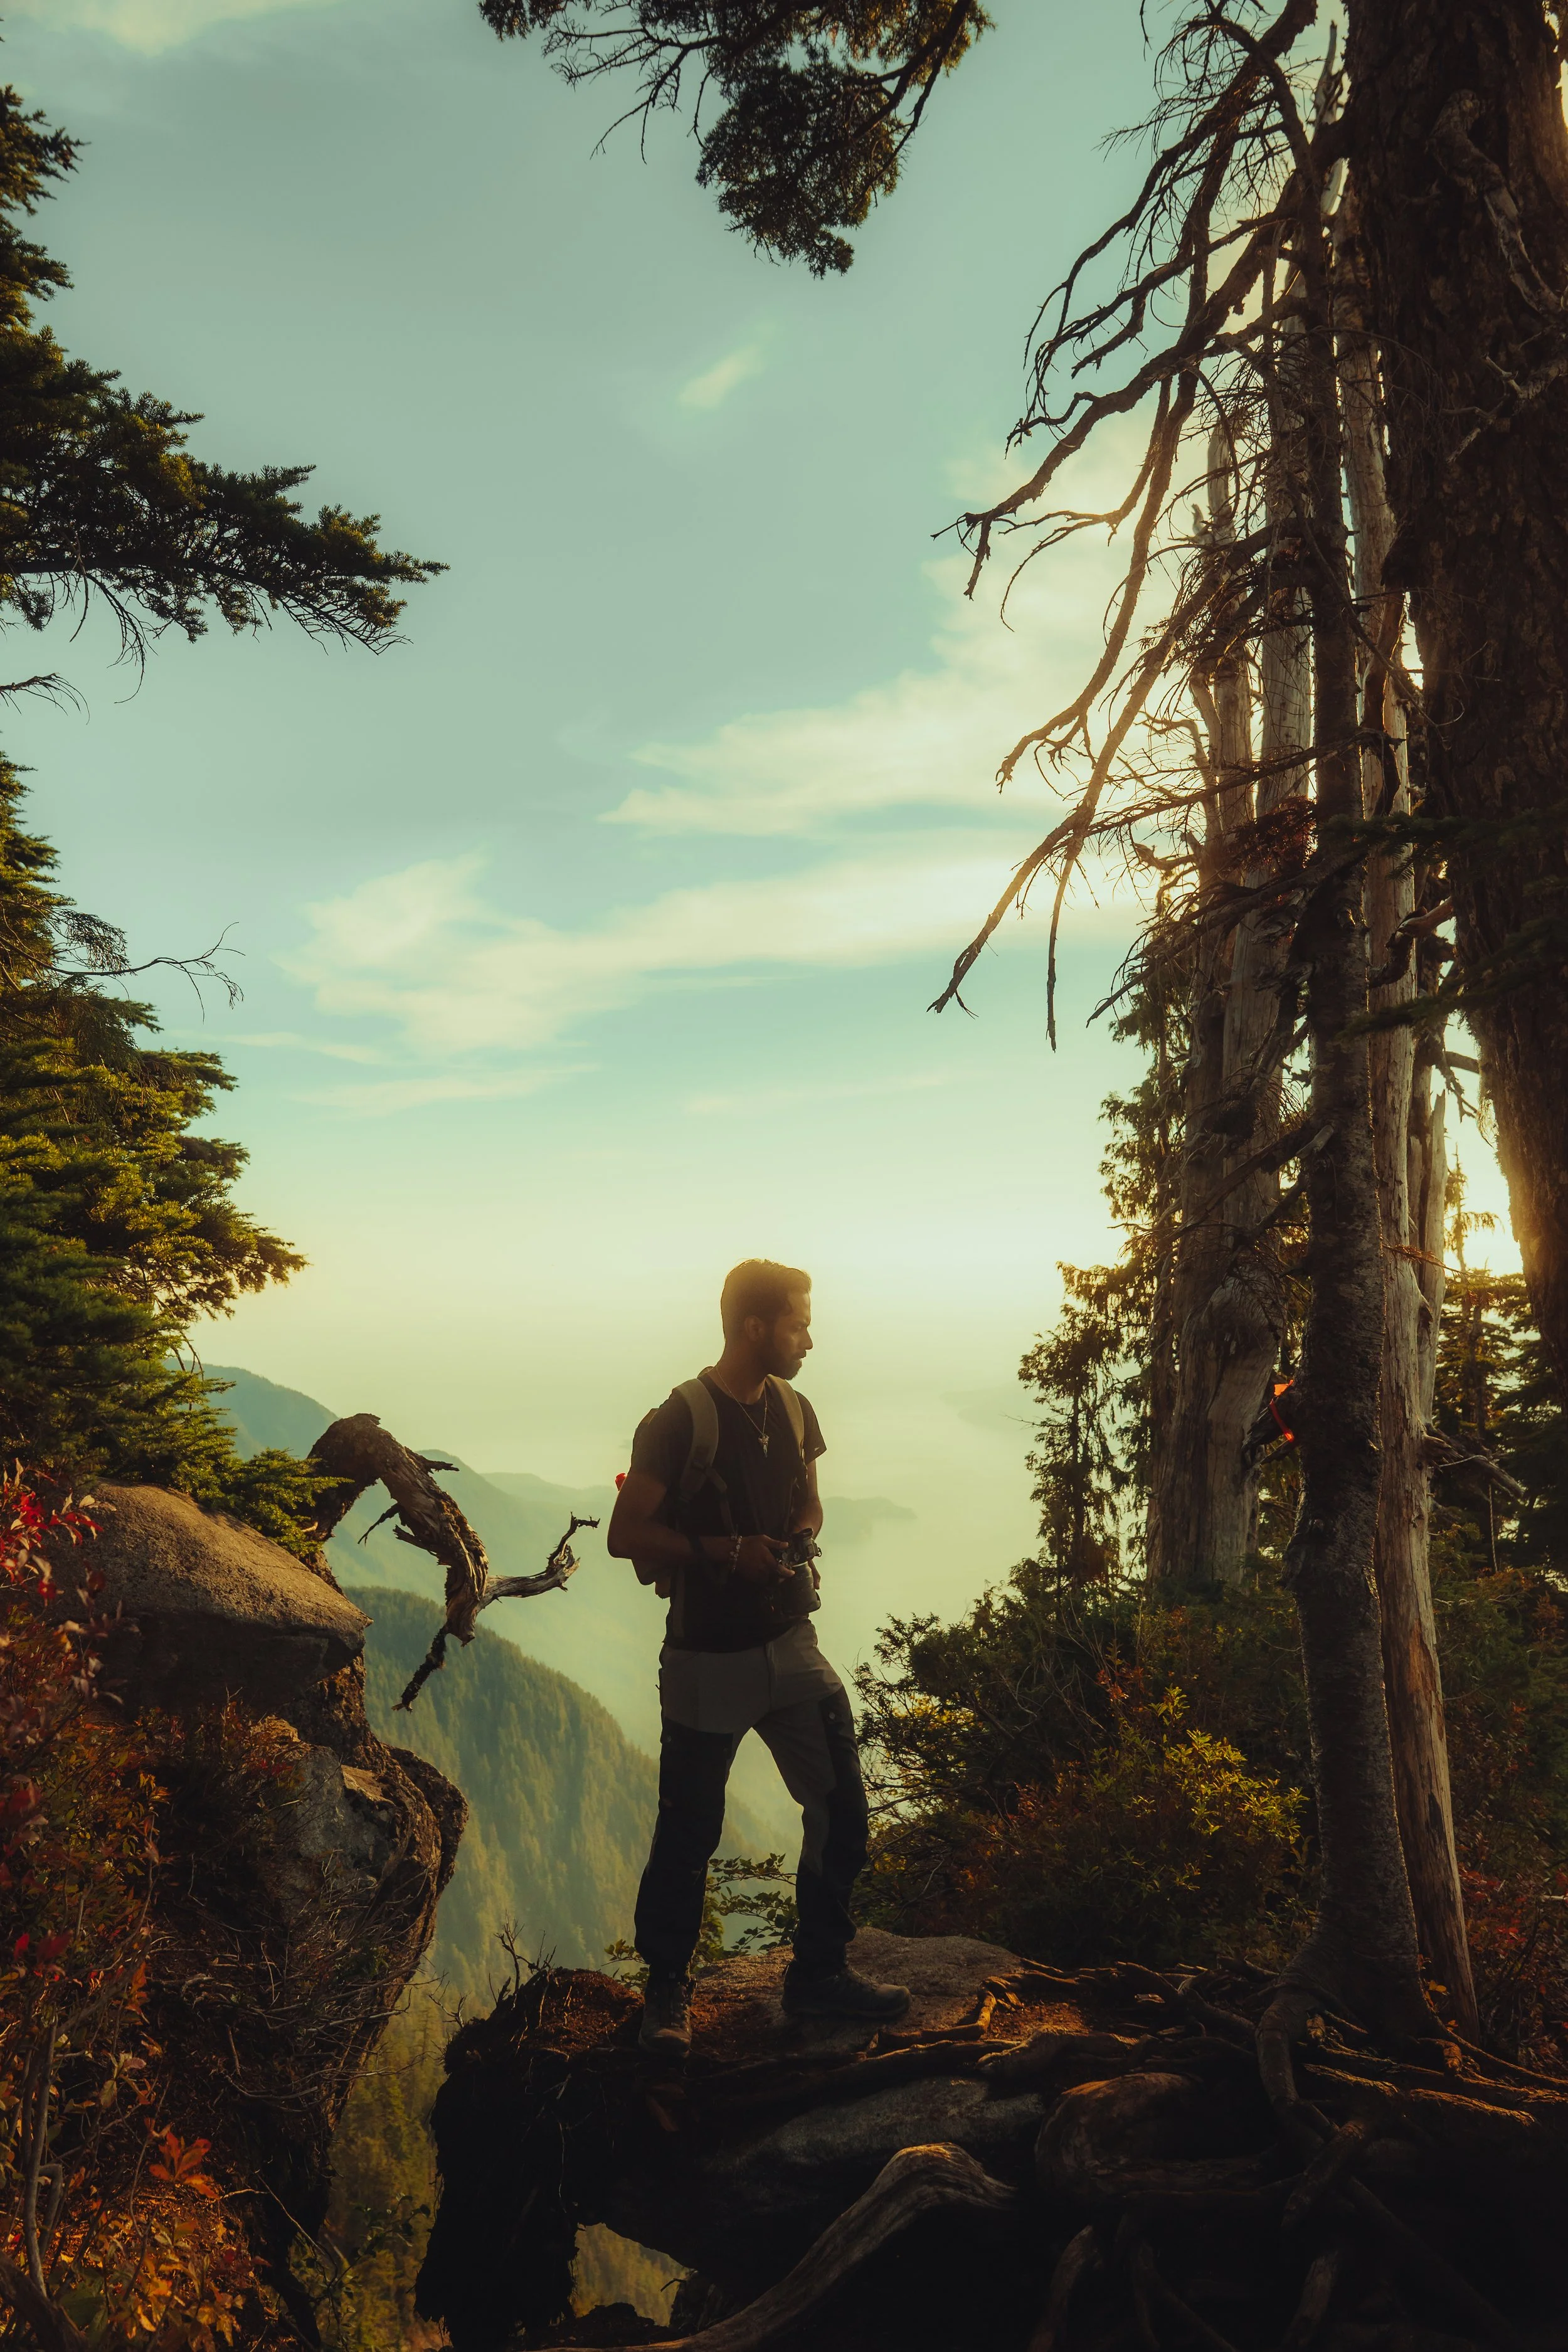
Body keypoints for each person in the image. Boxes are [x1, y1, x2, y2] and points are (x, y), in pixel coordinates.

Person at [607, 1259, 911, 2060]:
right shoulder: (678, 1420)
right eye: (797, 1324)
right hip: (708, 1657)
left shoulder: (794, 1407)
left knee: (842, 1811)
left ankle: (818, 1972)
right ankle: (666, 1992)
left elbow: (808, 1497)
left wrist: (802, 1538)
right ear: (754, 1328)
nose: (809, 1339)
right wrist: (723, 1550)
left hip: (791, 1646)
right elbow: (625, 1534)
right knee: (689, 1832)